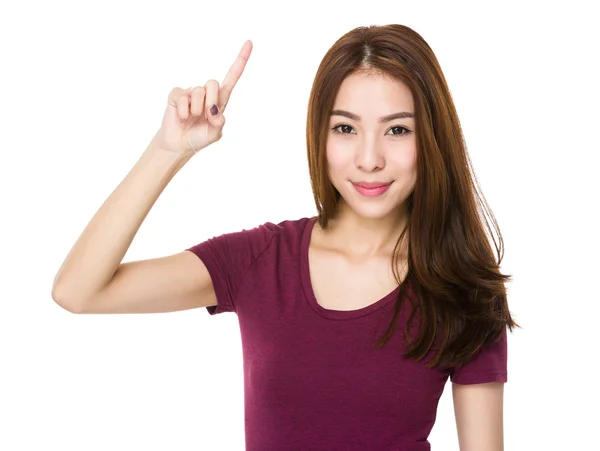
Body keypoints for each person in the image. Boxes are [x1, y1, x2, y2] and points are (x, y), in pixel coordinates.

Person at [52, 24, 518, 451]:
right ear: (320, 135)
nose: (369, 158)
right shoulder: (260, 261)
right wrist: (168, 150)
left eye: (397, 129)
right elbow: (79, 290)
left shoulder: (465, 290)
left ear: (432, 138)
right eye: (345, 128)